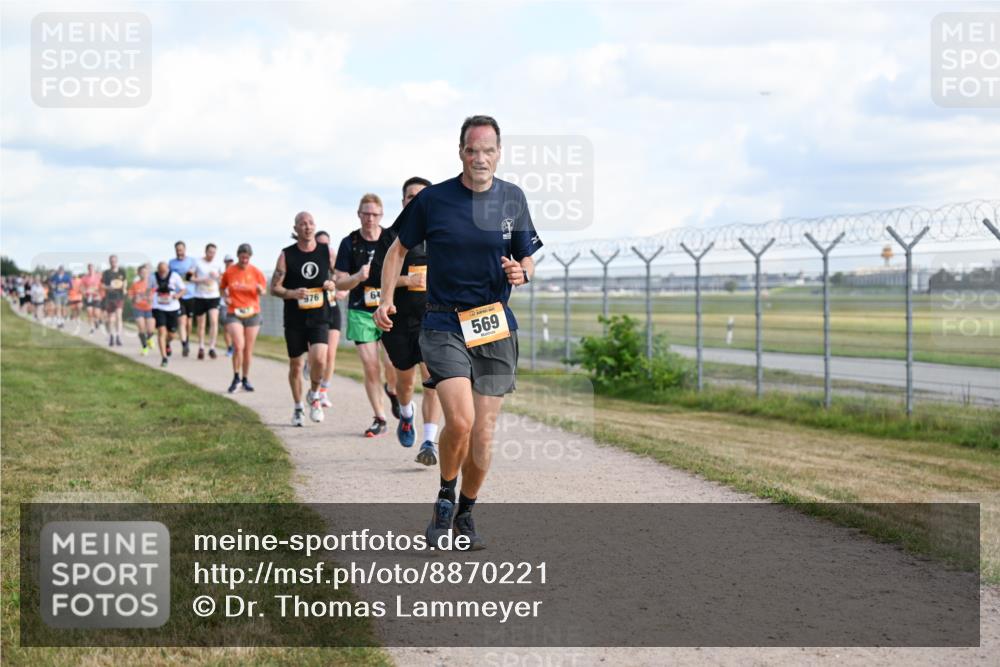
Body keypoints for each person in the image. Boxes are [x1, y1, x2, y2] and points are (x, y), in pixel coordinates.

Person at [375, 115, 543, 550]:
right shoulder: (433, 200)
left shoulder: (513, 198)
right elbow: (397, 250)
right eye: (472, 150)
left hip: (493, 322)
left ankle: (466, 512)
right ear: (461, 152)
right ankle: (446, 493)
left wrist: (520, 272)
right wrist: (386, 297)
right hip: (444, 322)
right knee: (462, 422)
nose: (480, 158)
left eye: (488, 150)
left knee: (483, 433)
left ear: (499, 153)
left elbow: (527, 260)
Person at [369, 176, 442, 463]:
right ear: (403, 202)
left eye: (422, 196)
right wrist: (406, 280)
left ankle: (428, 442)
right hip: (398, 319)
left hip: (433, 319)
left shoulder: (440, 234)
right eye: (411, 197)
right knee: (404, 382)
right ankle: (406, 413)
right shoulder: (391, 236)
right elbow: (377, 278)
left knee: (432, 379)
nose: (416, 201)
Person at [334, 193, 399, 437]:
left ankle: (392, 390)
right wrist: (357, 277)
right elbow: (339, 283)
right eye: (365, 213)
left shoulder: (392, 239)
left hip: (389, 309)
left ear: (381, 215)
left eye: (374, 214)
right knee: (371, 367)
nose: (369, 218)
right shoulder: (349, 243)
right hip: (361, 311)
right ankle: (380, 417)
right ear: (358, 214)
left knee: (392, 363)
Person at [270, 211, 337, 427]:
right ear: (295, 229)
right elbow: (275, 287)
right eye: (302, 224)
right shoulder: (286, 254)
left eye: (310, 223)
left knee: (320, 359)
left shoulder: (326, 251)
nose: (307, 227)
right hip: (295, 317)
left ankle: (314, 395)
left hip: (320, 314)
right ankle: (298, 407)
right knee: (296, 365)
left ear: (315, 226)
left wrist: (332, 283)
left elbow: (340, 276)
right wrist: (292, 293)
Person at [220, 243, 267, 393]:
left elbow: (264, 290)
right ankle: (236, 377)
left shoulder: (256, 272)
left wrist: (260, 290)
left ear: (250, 257)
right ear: (238, 256)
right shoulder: (230, 272)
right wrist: (225, 298)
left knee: (248, 349)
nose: (244, 260)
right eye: (242, 257)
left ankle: (245, 378)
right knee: (238, 346)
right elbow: (222, 287)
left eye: (247, 258)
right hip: (234, 312)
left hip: (253, 313)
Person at [313, 231, 347, 409]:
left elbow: (346, 279)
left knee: (330, 353)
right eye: (320, 244)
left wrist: (343, 290)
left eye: (326, 244)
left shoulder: (334, 260)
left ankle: (323, 391)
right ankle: (314, 381)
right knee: (318, 355)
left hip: (333, 309)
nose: (323, 247)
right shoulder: (311, 262)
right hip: (315, 311)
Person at [192, 243, 224, 360]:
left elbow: (223, 279)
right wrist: (201, 280)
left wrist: (217, 276)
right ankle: (201, 347)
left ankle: (212, 347)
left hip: (213, 296)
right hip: (200, 296)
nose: (212, 255)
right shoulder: (197, 262)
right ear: (205, 252)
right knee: (201, 324)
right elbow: (189, 277)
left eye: (214, 253)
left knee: (214, 321)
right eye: (210, 252)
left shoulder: (218, 264)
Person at [151, 261, 185, 367]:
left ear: (168, 269)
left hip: (172, 308)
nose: (162, 273)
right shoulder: (153, 277)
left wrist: (177, 295)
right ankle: (164, 358)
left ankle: (167, 343)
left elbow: (183, 289)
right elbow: (147, 289)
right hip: (158, 307)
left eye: (164, 271)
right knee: (161, 331)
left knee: (172, 334)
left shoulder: (175, 276)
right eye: (160, 271)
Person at [168, 241, 197, 357]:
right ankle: (184, 344)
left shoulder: (191, 261)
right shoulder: (171, 263)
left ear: (185, 250)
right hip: (178, 296)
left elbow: (194, 276)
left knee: (189, 324)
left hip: (191, 294)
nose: (179, 252)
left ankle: (187, 340)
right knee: (182, 321)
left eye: (181, 250)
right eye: (177, 250)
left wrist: (191, 275)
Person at [129, 263, 155, 355]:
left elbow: (153, 297)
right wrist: (134, 299)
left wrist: (149, 298)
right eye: (142, 272)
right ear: (139, 274)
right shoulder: (135, 285)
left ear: (148, 273)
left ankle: (149, 339)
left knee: (150, 330)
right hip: (138, 308)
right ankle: (144, 348)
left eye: (145, 272)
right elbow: (130, 296)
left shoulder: (152, 284)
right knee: (141, 328)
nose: (144, 274)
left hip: (149, 308)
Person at [101, 255, 127, 346]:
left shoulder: (121, 271)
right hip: (109, 298)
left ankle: (118, 336)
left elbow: (125, 281)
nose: (113, 262)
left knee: (119, 316)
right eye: (111, 261)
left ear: (117, 261)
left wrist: (124, 288)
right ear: (109, 262)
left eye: (114, 261)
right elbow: (102, 285)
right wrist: (109, 287)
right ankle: (111, 335)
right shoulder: (106, 273)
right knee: (110, 319)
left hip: (119, 297)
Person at [80, 263, 102, 333]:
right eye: (89, 268)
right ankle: (92, 327)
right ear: (88, 269)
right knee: (89, 312)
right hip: (88, 297)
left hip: (96, 296)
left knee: (96, 313)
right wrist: (84, 292)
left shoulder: (98, 276)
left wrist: (98, 291)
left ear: (94, 269)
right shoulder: (84, 277)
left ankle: (97, 320)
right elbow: (81, 287)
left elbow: (102, 286)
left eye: (91, 268)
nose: (90, 270)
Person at [221, 254, 235, 357]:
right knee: (226, 327)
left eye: (231, 261)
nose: (229, 263)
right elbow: (219, 289)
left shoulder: (237, 273)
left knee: (236, 327)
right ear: (224, 262)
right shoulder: (221, 275)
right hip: (224, 304)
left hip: (237, 305)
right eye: (228, 261)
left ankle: (236, 346)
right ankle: (229, 347)